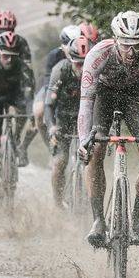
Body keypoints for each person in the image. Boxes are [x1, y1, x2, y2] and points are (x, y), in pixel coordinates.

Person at [77, 10, 139, 248]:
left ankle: (136, 217)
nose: (132, 53)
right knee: (95, 149)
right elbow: (86, 103)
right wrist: (85, 140)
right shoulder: (97, 55)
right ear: (115, 40)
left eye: (137, 45)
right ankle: (98, 221)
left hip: (135, 96)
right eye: (125, 45)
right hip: (104, 96)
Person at [0, 32, 35, 204]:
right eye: (4, 56)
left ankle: (16, 142)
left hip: (14, 97)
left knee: (21, 112)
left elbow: (28, 95)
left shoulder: (23, 67)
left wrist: (31, 114)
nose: (8, 60)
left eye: (12, 56)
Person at [45, 35, 89, 207]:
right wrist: (52, 127)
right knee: (60, 161)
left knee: (92, 161)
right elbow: (49, 105)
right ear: (70, 60)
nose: (82, 68)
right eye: (78, 63)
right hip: (63, 118)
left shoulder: (95, 71)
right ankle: (58, 203)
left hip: (86, 119)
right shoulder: (60, 70)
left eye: (85, 63)